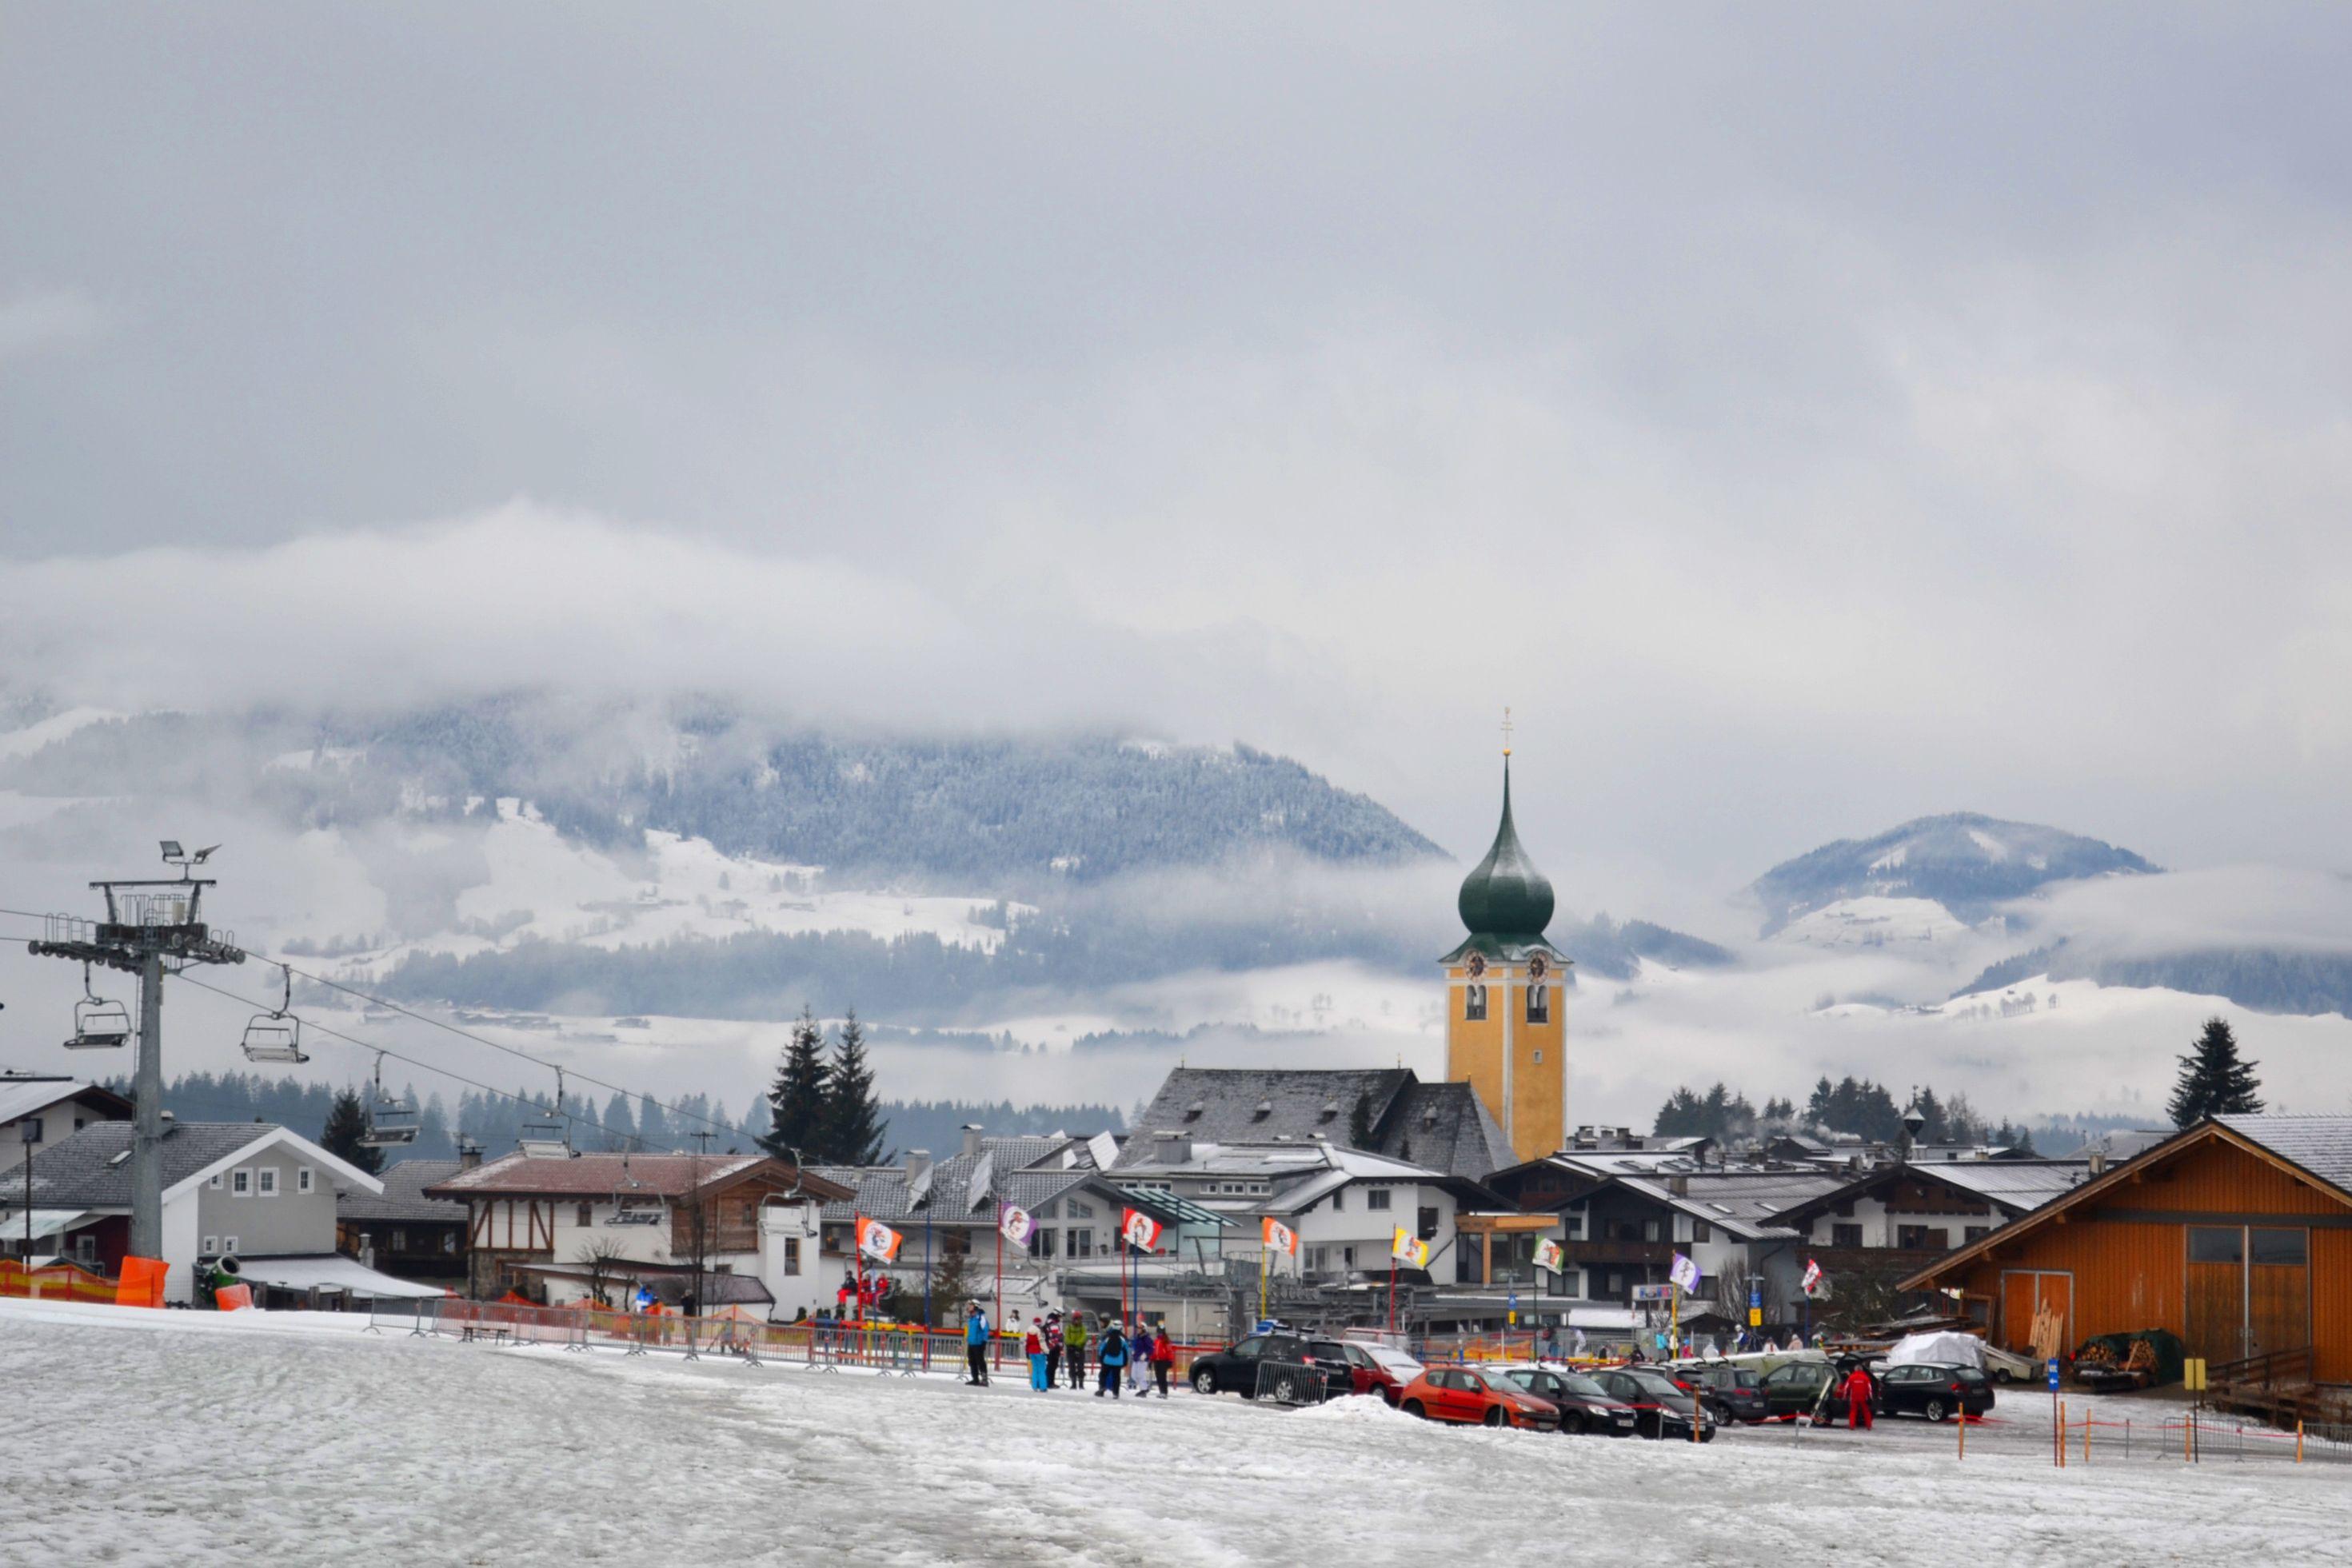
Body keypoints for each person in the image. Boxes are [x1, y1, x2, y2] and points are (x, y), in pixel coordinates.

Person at [1096, 1319, 1128, 1398]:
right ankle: (1116, 1393)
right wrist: (1125, 1361)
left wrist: (1101, 1358)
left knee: (1103, 1374)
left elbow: (1102, 1348)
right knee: (1116, 1377)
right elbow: (1126, 1351)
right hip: (1118, 1361)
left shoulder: (1108, 1336)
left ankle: (1102, 1388)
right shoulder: (1123, 1338)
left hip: (1107, 1360)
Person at [964, 1302, 992, 1386]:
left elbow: (985, 1330)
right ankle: (975, 1379)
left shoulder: (981, 1318)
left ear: (976, 1307)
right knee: (972, 1361)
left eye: (971, 1306)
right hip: (972, 1343)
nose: (969, 1307)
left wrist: (984, 1341)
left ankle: (984, 1379)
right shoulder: (971, 1318)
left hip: (979, 1343)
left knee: (980, 1361)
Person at [1841, 1363, 1875, 1430]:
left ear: (1855, 1370)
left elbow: (1846, 1388)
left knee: (1853, 1412)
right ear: (1862, 1370)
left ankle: (1852, 1426)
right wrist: (1871, 1398)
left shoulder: (1851, 1377)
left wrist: (1844, 1396)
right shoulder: (1866, 1378)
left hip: (1854, 1397)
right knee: (1866, 1412)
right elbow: (1869, 1389)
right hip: (1863, 1398)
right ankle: (1869, 1426)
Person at [1064, 1311, 1089, 1390]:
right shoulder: (1069, 1327)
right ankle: (1073, 1383)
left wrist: (1077, 1344)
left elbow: (1084, 1337)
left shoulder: (1083, 1328)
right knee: (1071, 1367)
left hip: (1080, 1349)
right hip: (1071, 1349)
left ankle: (1081, 1384)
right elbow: (1066, 1338)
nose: (1078, 1321)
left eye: (1080, 1320)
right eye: (1077, 1319)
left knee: (1080, 1367)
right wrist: (1071, 1344)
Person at [1149, 1320, 1174, 1398]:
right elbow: (1154, 1351)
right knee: (1158, 1377)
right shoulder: (1156, 1341)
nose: (1159, 1333)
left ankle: (1164, 1392)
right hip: (1157, 1361)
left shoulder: (1166, 1341)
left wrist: (1170, 1360)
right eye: (1158, 1332)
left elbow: (1170, 1351)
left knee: (1162, 1376)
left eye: (1160, 1332)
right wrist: (1151, 1360)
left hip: (1164, 1361)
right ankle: (1161, 1391)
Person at [1024, 1321, 1048, 1390]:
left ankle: (1034, 1386)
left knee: (1035, 1369)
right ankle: (1043, 1387)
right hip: (1039, 1352)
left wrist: (1027, 1351)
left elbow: (1026, 1343)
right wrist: (1046, 1351)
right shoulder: (1039, 1332)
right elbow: (1042, 1343)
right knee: (1041, 1369)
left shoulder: (1028, 1332)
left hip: (1031, 1352)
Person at [1043, 1311, 1064, 1387]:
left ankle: (1049, 1382)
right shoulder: (1053, 1324)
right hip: (1053, 1347)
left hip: (1050, 1347)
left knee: (1051, 1366)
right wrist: (1060, 1344)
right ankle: (1049, 1383)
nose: (1061, 1318)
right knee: (1052, 1366)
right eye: (1060, 1316)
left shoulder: (1049, 1323)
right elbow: (1056, 1336)